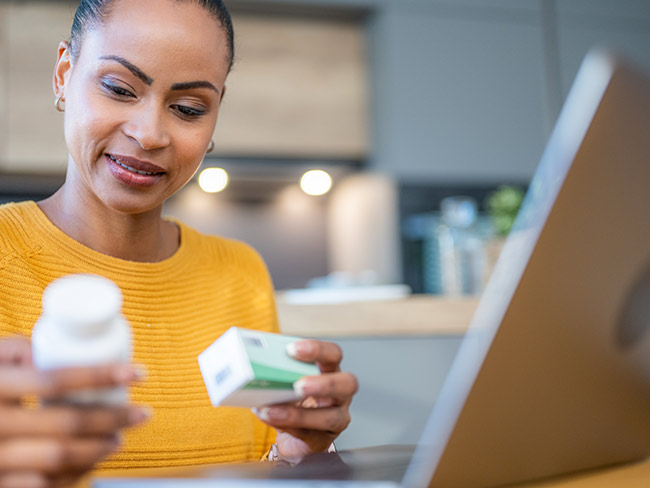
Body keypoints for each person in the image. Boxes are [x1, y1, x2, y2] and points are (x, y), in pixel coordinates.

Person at [0, 0, 358, 486]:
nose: (149, 134)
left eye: (188, 109)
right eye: (118, 89)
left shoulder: (240, 271)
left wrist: (303, 452)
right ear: (64, 73)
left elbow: (266, 466)